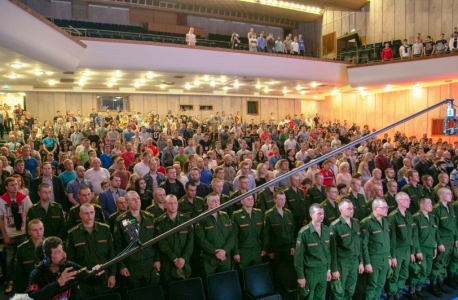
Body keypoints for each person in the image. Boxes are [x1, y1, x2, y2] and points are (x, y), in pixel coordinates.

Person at [26, 236, 104, 300]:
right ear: (47, 259)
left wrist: (99, 274)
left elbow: (94, 282)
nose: (64, 254)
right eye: (58, 252)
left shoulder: (69, 266)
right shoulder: (37, 274)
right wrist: (58, 283)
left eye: (62, 250)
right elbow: (31, 297)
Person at [66, 203, 115, 298]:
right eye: (86, 213)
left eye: (92, 212)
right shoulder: (73, 233)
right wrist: (75, 281)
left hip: (103, 276)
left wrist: (112, 275)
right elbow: (71, 260)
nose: (89, 216)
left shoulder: (105, 229)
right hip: (84, 280)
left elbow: (111, 253)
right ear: (80, 215)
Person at [113, 191, 159, 289]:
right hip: (131, 264)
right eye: (133, 199)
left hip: (149, 262)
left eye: (138, 198)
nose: (137, 201)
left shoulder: (149, 217)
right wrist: (121, 266)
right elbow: (117, 247)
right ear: (126, 203)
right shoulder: (121, 220)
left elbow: (156, 242)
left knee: (151, 290)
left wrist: (157, 259)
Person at [0, 177, 33, 293]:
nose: (15, 186)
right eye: (12, 185)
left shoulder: (25, 199)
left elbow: (30, 216)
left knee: (25, 258)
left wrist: (29, 234)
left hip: (23, 233)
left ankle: (26, 281)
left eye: (16, 184)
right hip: (10, 234)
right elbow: (1, 219)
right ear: (6, 187)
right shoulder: (2, 200)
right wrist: (5, 235)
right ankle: (10, 281)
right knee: (9, 260)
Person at [155, 194, 194, 289]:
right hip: (168, 262)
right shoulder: (159, 221)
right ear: (165, 205)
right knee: (171, 289)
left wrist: (184, 258)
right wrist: (174, 258)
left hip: (185, 261)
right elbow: (161, 243)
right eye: (170, 203)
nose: (173, 205)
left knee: (186, 289)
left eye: (175, 202)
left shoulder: (186, 219)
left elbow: (191, 240)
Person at [329, 199, 364, 300]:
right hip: (342, 262)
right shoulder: (335, 226)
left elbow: (359, 244)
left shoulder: (356, 222)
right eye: (348, 208)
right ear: (341, 210)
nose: (351, 210)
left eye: (352, 208)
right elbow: (332, 250)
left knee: (350, 290)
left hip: (354, 261)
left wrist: (361, 262)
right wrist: (334, 269)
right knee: (338, 290)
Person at [295, 204, 331, 300]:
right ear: (311, 215)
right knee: (309, 297)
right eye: (319, 213)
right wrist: (301, 276)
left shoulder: (327, 230)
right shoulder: (304, 233)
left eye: (323, 213)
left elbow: (328, 252)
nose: (322, 216)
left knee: (321, 297)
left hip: (323, 270)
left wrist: (329, 269)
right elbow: (298, 258)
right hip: (311, 272)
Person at [387, 192, 418, 300]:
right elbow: (392, 239)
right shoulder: (393, 217)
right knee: (395, 275)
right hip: (398, 250)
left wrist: (413, 251)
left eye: (409, 199)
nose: (409, 201)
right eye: (406, 200)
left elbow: (413, 236)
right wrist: (393, 256)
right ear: (399, 201)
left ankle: (398, 293)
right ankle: (392, 294)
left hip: (407, 249)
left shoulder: (409, 215)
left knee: (404, 274)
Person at [195, 192, 233, 277]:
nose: (216, 203)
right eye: (213, 201)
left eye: (218, 201)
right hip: (208, 258)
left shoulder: (225, 216)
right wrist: (215, 252)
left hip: (225, 257)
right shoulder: (201, 218)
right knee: (209, 283)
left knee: (226, 281)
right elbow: (201, 239)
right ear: (207, 203)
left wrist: (224, 250)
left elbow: (232, 235)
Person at [360, 199, 391, 300]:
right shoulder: (366, 223)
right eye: (383, 208)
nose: (386, 210)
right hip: (373, 259)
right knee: (371, 285)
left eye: (387, 207)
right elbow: (363, 245)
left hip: (384, 258)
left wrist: (389, 256)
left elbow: (387, 241)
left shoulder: (385, 221)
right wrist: (367, 263)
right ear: (374, 208)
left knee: (380, 284)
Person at [431, 188, 458, 293]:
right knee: (439, 262)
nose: (451, 195)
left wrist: (456, 238)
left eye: (451, 193)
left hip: (451, 238)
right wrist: (439, 243)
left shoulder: (450, 207)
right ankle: (434, 285)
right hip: (443, 239)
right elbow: (435, 228)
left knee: (446, 261)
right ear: (441, 196)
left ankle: (442, 282)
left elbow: (454, 224)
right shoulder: (436, 209)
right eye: (448, 194)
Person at [411, 197, 438, 298]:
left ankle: (419, 289)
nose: (431, 205)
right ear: (422, 205)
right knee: (419, 270)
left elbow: (434, 233)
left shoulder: (431, 217)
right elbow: (415, 237)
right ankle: (412, 291)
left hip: (430, 248)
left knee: (427, 270)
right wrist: (417, 251)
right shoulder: (416, 218)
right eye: (429, 203)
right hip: (421, 248)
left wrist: (435, 247)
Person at [231, 194, 265, 269]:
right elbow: (234, 236)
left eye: (252, 199)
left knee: (258, 271)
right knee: (243, 272)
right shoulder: (236, 215)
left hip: (257, 249)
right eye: (248, 199)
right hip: (243, 250)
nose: (251, 201)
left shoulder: (259, 213)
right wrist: (236, 252)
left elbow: (263, 233)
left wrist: (264, 248)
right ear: (242, 201)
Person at [14, 219, 44, 293]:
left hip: (48, 285)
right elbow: (19, 274)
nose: (39, 232)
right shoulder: (21, 249)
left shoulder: (51, 245)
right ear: (29, 232)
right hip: (31, 287)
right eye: (35, 230)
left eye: (40, 229)